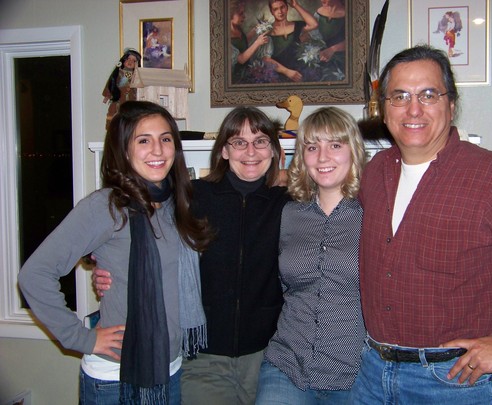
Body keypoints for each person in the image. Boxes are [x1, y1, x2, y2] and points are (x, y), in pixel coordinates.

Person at [350, 45, 492, 404]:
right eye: (400, 96)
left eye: (428, 95)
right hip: (372, 374)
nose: (413, 109)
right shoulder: (374, 173)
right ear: (384, 110)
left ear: (451, 105)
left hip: (454, 382)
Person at [18, 100, 213, 404]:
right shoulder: (107, 205)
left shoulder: (176, 204)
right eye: (143, 140)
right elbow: (35, 274)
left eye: (165, 139)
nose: (158, 150)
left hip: (170, 369)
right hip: (115, 379)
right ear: (124, 150)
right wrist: (81, 338)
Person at [93, 106, 291, 404]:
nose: (250, 151)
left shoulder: (290, 203)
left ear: (274, 150)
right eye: (239, 142)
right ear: (224, 151)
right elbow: (136, 228)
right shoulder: (190, 196)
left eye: (261, 141)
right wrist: (102, 264)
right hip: (202, 358)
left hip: (268, 357)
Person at [254, 107, 367, 404]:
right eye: (312, 147)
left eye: (335, 145)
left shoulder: (374, 214)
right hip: (287, 364)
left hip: (355, 373)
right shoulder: (286, 212)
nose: (323, 157)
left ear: (353, 151)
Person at [260, 0, 318, 82]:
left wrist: (296, 5)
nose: (280, 11)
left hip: (299, 72)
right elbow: (266, 59)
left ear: (287, 7)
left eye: (282, 7)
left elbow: (314, 24)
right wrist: (287, 72)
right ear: (271, 12)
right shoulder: (268, 32)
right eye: (275, 9)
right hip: (278, 75)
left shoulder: (298, 26)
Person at [230, 0, 270, 83]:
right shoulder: (225, 37)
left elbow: (244, 41)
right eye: (240, 13)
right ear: (230, 15)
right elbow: (241, 59)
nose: (244, 16)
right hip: (237, 77)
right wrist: (257, 42)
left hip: (247, 69)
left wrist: (256, 29)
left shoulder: (238, 28)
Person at [102, 48, 141, 130]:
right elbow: (111, 83)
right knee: (115, 114)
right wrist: (107, 95)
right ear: (123, 60)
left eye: (134, 61)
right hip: (118, 99)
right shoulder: (118, 73)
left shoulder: (136, 76)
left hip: (131, 100)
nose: (130, 62)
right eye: (128, 59)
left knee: (130, 118)